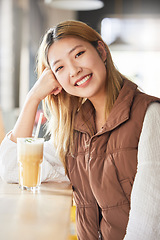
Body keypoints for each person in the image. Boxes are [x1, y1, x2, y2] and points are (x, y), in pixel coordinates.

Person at [0, 20, 160, 240]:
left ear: (101, 51)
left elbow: (148, 226)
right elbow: (11, 168)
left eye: (78, 54)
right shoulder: (75, 133)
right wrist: (33, 97)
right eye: (60, 68)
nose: (74, 71)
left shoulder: (150, 115)